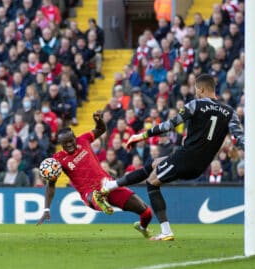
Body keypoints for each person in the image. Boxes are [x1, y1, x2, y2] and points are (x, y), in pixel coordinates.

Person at [100, 74, 245, 241]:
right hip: (200, 166)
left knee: (152, 182)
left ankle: (166, 231)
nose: (196, 93)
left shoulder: (195, 104)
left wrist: (141, 136)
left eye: (197, 90)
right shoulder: (230, 112)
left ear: (202, 89)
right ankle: (111, 186)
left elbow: (169, 126)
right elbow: (240, 138)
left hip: (186, 157)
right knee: (154, 164)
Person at [37, 111, 153, 238]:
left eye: (71, 141)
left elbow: (101, 129)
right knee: (95, 195)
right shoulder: (57, 160)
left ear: (75, 138)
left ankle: (143, 228)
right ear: (61, 144)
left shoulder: (84, 140)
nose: (69, 145)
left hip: (109, 185)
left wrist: (99, 120)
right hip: (89, 193)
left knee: (146, 211)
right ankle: (100, 201)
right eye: (65, 143)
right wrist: (46, 209)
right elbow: (51, 185)